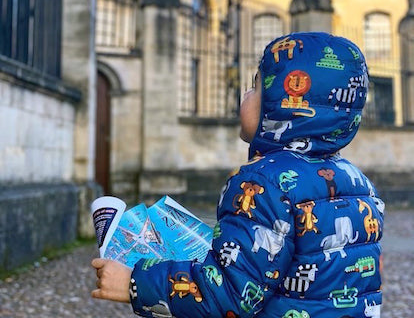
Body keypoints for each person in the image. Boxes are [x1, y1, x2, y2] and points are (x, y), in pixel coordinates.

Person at [92, 32, 384, 317]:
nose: (245, 95)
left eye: (256, 87)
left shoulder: (262, 182)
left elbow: (230, 294)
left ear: (284, 104)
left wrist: (133, 282)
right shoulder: (358, 182)